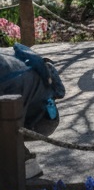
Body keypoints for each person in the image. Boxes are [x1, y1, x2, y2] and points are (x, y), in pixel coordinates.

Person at [0, 48, 62, 179]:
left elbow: (12, 126)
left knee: (6, 129)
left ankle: (26, 164)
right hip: (33, 109)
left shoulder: (8, 81)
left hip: (42, 120)